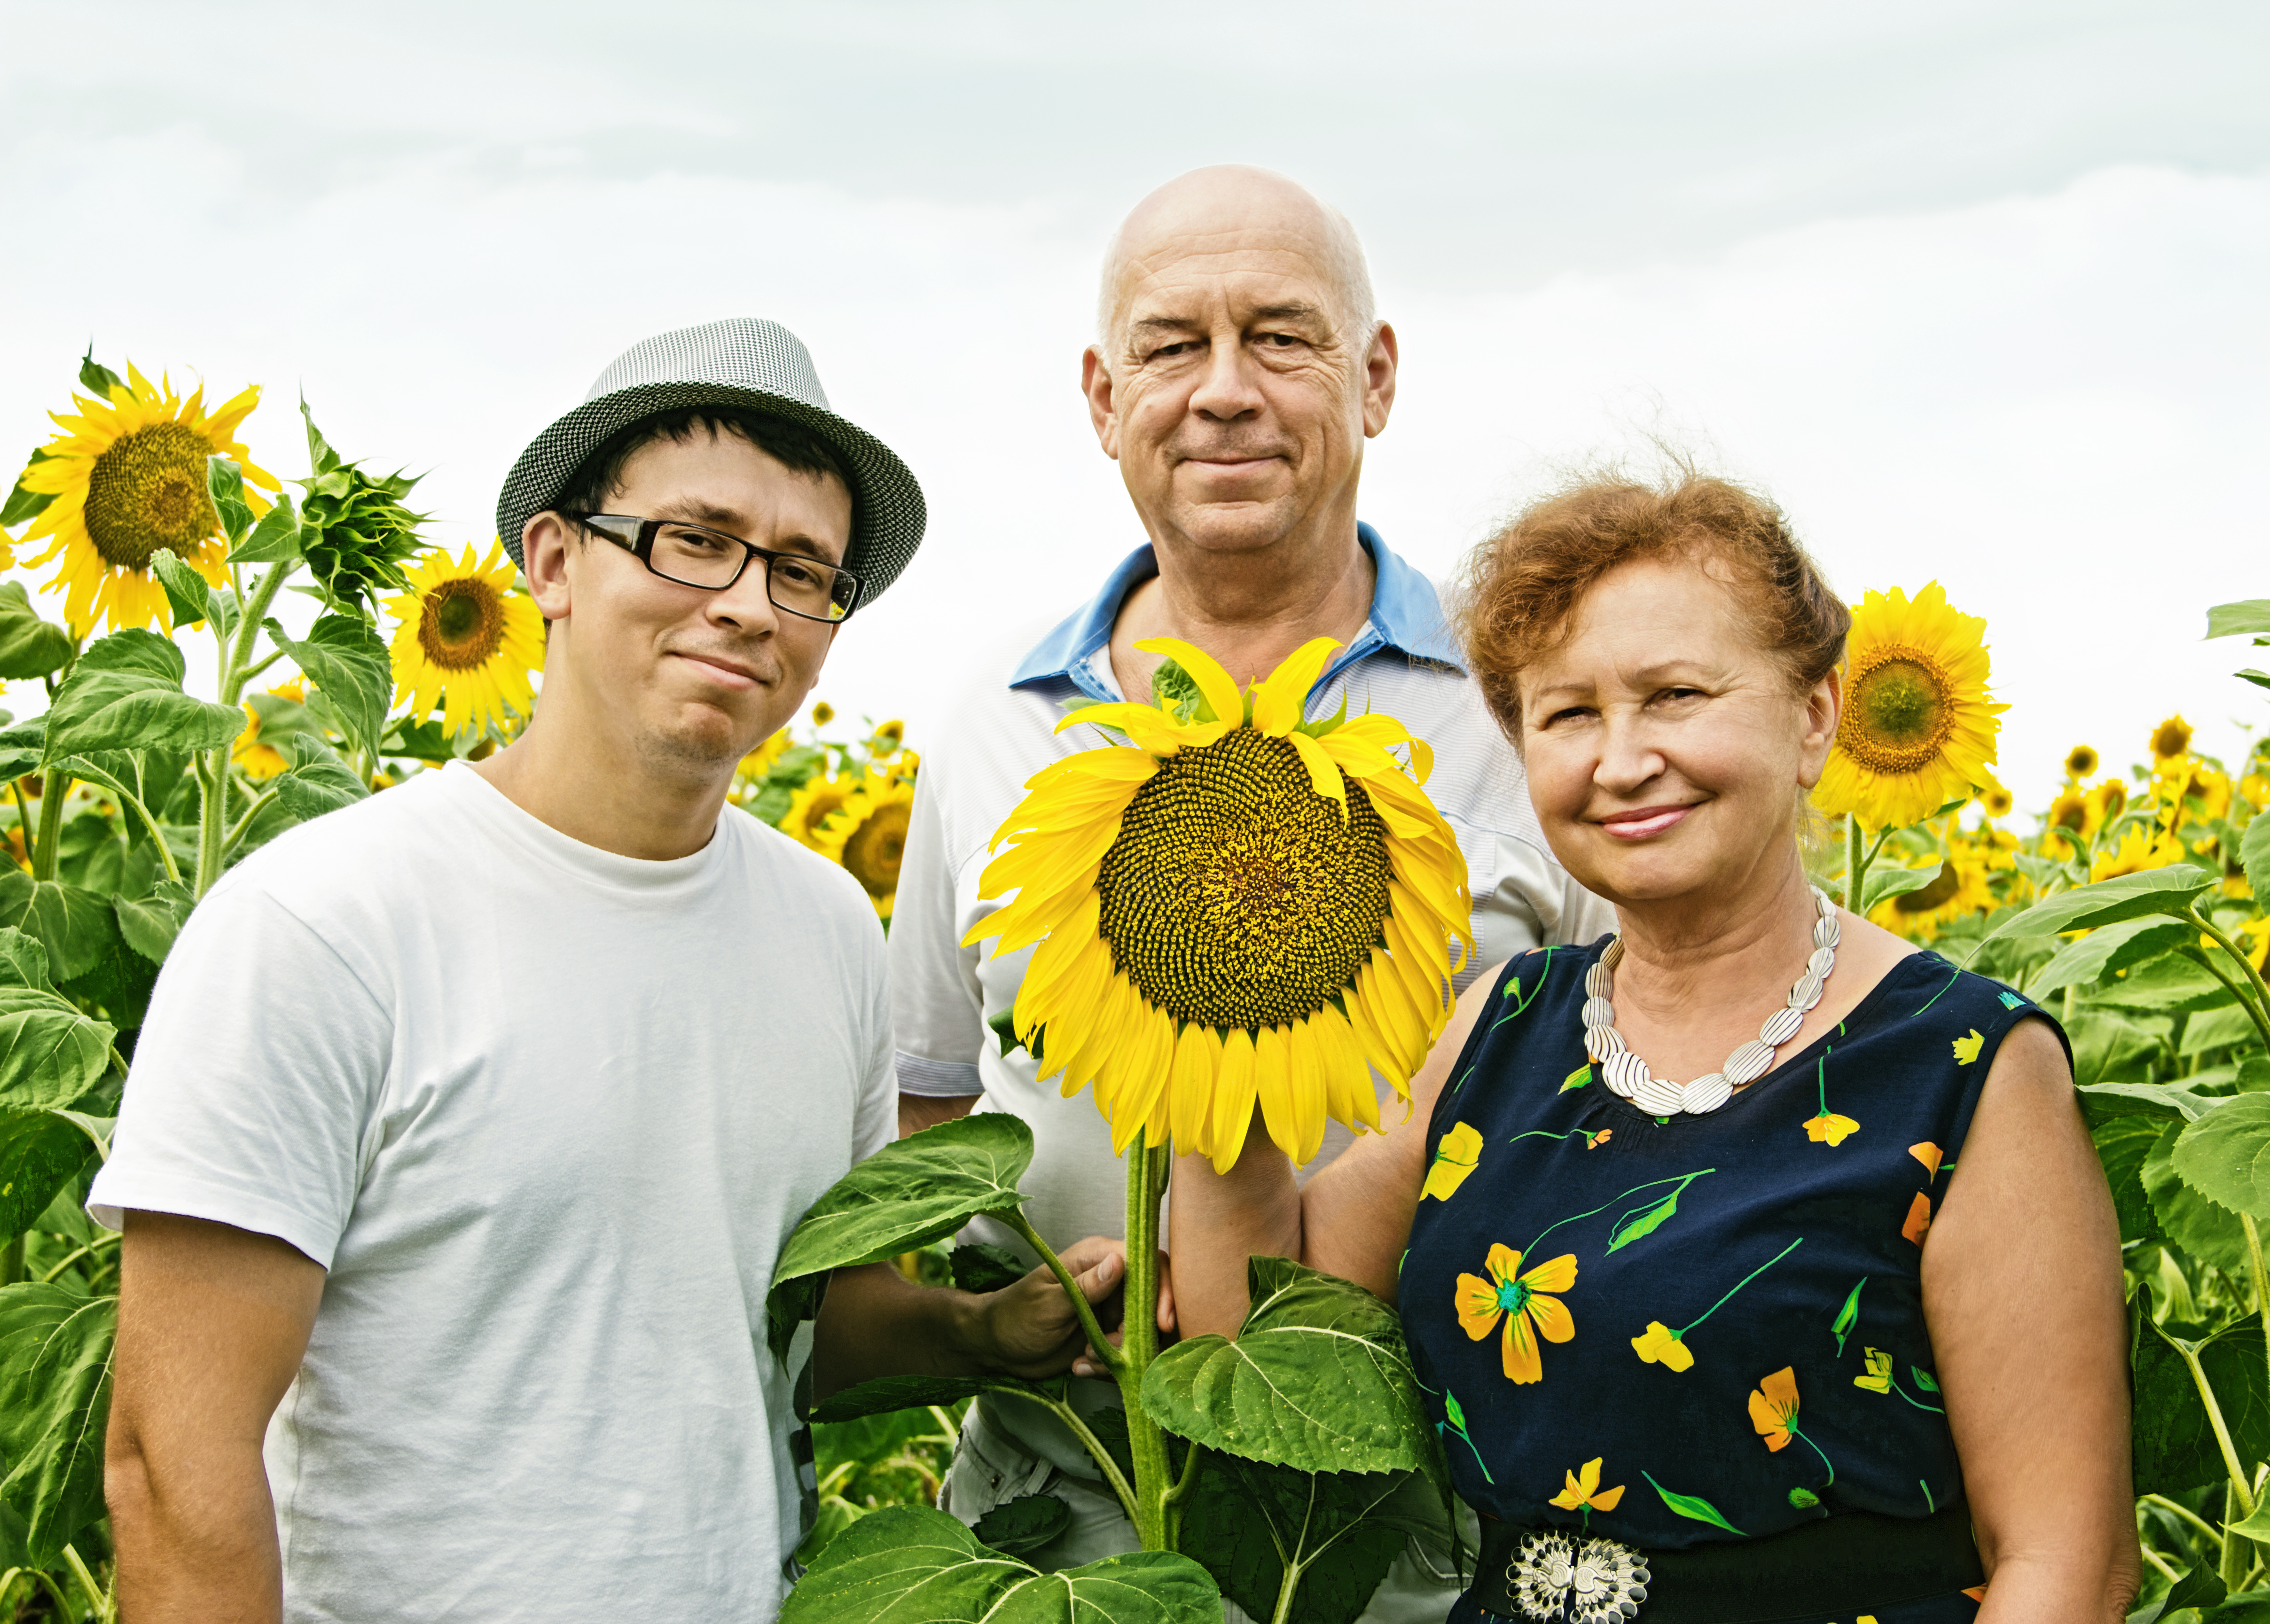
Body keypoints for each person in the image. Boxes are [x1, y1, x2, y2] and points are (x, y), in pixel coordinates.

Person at [95, 318, 1123, 1624]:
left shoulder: (822, 927)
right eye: (697, 541)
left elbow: (804, 1326)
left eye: (805, 571)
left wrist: (982, 1336)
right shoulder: (324, 927)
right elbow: (172, 1468)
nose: (751, 605)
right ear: (554, 560)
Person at [1169, 471, 2139, 1624]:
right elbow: (1267, 1334)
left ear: (1815, 714)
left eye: (1675, 695)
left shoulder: (1961, 1066)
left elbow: (2063, 1564)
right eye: (1568, 714)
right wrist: (1209, 994)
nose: (1621, 761)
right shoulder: (1500, 1030)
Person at [888, 166, 1606, 1607]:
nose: (1223, 392)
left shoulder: (1525, 704)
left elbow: (1622, 1098)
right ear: (1102, 398)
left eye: (1281, 336)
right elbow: (931, 1109)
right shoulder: (996, 722)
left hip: (1411, 1530)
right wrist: (987, 1310)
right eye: (1170, 346)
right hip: (1060, 1522)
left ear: (1376, 376)